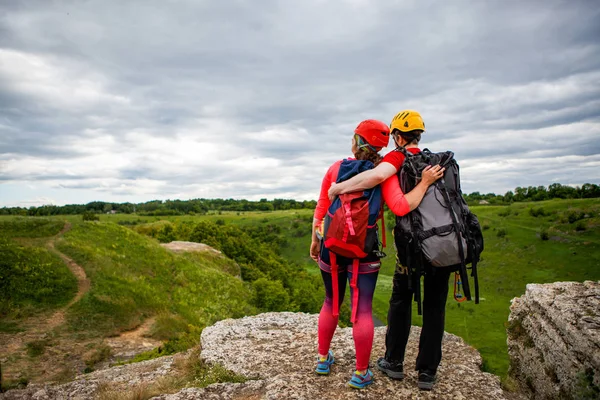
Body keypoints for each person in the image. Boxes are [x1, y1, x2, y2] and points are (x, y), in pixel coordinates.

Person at [310, 118, 443, 389]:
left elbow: (322, 207)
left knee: (329, 302)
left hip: (331, 248)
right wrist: (425, 184)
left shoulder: (336, 168)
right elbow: (401, 206)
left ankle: (323, 359)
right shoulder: (385, 172)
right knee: (363, 310)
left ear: (357, 140)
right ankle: (360, 373)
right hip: (365, 252)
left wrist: (315, 240)